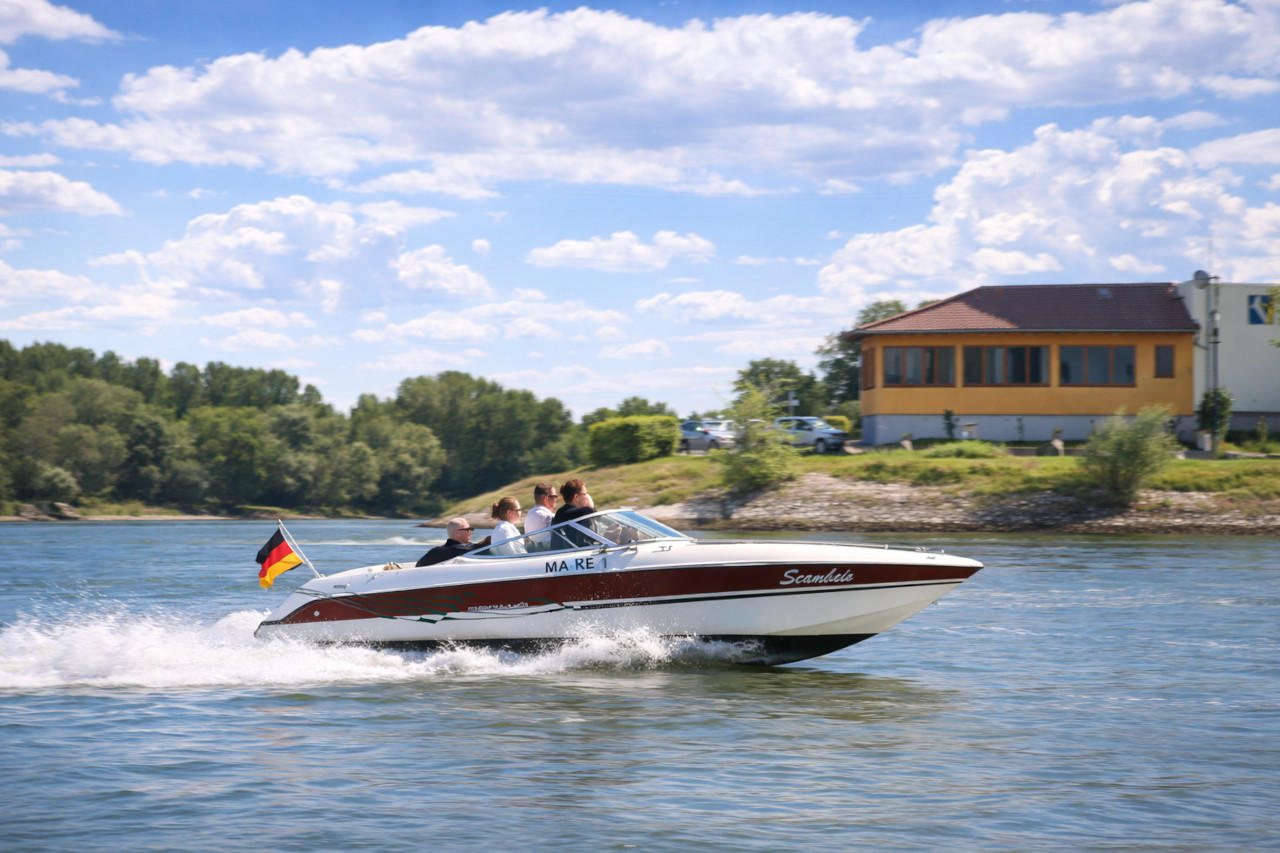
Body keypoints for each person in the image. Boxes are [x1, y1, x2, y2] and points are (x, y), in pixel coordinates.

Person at [524, 482, 557, 551]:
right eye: (555, 496)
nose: (556, 499)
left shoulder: (530, 514)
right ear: (545, 498)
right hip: (550, 554)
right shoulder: (545, 516)